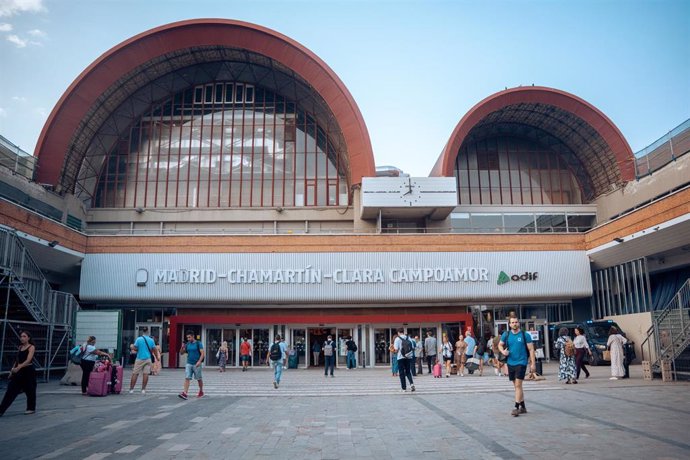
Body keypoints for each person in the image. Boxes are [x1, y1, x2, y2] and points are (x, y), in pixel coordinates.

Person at [498, 314, 536, 417]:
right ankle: (523, 406)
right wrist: (503, 352)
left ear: (519, 323)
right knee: (516, 387)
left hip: (521, 362)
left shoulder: (525, 335)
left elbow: (531, 349)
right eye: (512, 322)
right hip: (510, 363)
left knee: (518, 385)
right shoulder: (506, 334)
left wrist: (533, 363)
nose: (515, 324)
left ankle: (516, 407)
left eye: (516, 322)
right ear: (509, 324)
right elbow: (500, 345)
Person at [0, 331, 37, 416]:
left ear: (28, 338)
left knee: (30, 390)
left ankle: (31, 408)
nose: (22, 338)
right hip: (18, 371)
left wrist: (18, 368)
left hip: (28, 371)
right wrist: (12, 371)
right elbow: (17, 360)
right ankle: (1, 410)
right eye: (21, 336)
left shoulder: (31, 347)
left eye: (24, 336)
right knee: (10, 390)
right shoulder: (20, 347)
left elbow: (28, 360)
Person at [129, 326, 159, 394]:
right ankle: (143, 389)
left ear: (142, 331)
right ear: (148, 332)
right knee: (146, 374)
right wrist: (157, 357)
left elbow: (135, 348)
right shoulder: (151, 340)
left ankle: (131, 389)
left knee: (135, 373)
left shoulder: (138, 339)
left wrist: (131, 346)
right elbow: (154, 349)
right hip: (148, 359)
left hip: (139, 358)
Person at [178, 331, 205, 399]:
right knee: (187, 378)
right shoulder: (187, 344)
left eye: (189, 337)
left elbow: (202, 353)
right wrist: (182, 347)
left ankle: (201, 391)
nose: (188, 339)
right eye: (187, 337)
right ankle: (185, 393)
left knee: (199, 379)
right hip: (189, 363)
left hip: (196, 364)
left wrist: (199, 361)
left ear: (193, 336)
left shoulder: (198, 343)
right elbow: (181, 353)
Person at [393, 328, 415, 392]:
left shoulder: (397, 339)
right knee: (408, 371)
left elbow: (396, 350)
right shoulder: (409, 338)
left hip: (400, 358)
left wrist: (392, 350)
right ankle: (411, 384)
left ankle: (404, 388)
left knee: (402, 373)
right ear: (403, 331)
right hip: (408, 357)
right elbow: (413, 347)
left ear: (398, 333)